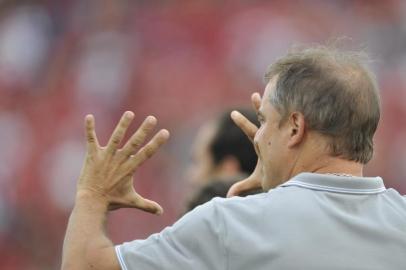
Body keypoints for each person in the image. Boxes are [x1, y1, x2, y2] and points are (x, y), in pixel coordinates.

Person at [61, 46, 406, 270]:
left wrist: (92, 195)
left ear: (295, 128)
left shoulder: (230, 224)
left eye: (265, 121)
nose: (258, 136)